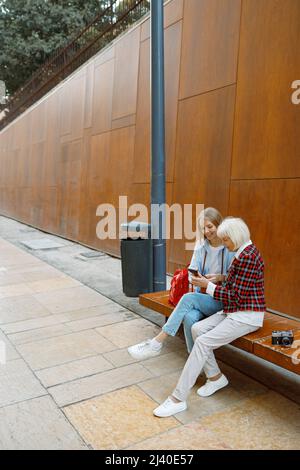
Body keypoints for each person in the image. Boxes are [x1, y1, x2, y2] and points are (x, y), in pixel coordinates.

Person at [153, 217, 266, 417]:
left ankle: (177, 399)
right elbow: (238, 284)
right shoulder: (243, 252)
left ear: (235, 237)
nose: (224, 244)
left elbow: (237, 297)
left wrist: (209, 286)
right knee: (196, 328)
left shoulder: (247, 256)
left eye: (226, 240)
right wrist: (221, 278)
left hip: (246, 315)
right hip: (234, 310)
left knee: (203, 342)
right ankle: (215, 377)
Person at [128, 207, 235, 364]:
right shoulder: (201, 246)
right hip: (202, 297)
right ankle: (197, 363)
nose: (207, 231)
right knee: (189, 317)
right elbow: (191, 273)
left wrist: (219, 278)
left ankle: (157, 342)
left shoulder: (230, 248)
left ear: (219, 224)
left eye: (210, 226)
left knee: (188, 299)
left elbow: (236, 280)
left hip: (221, 299)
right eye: (203, 228)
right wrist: (197, 278)